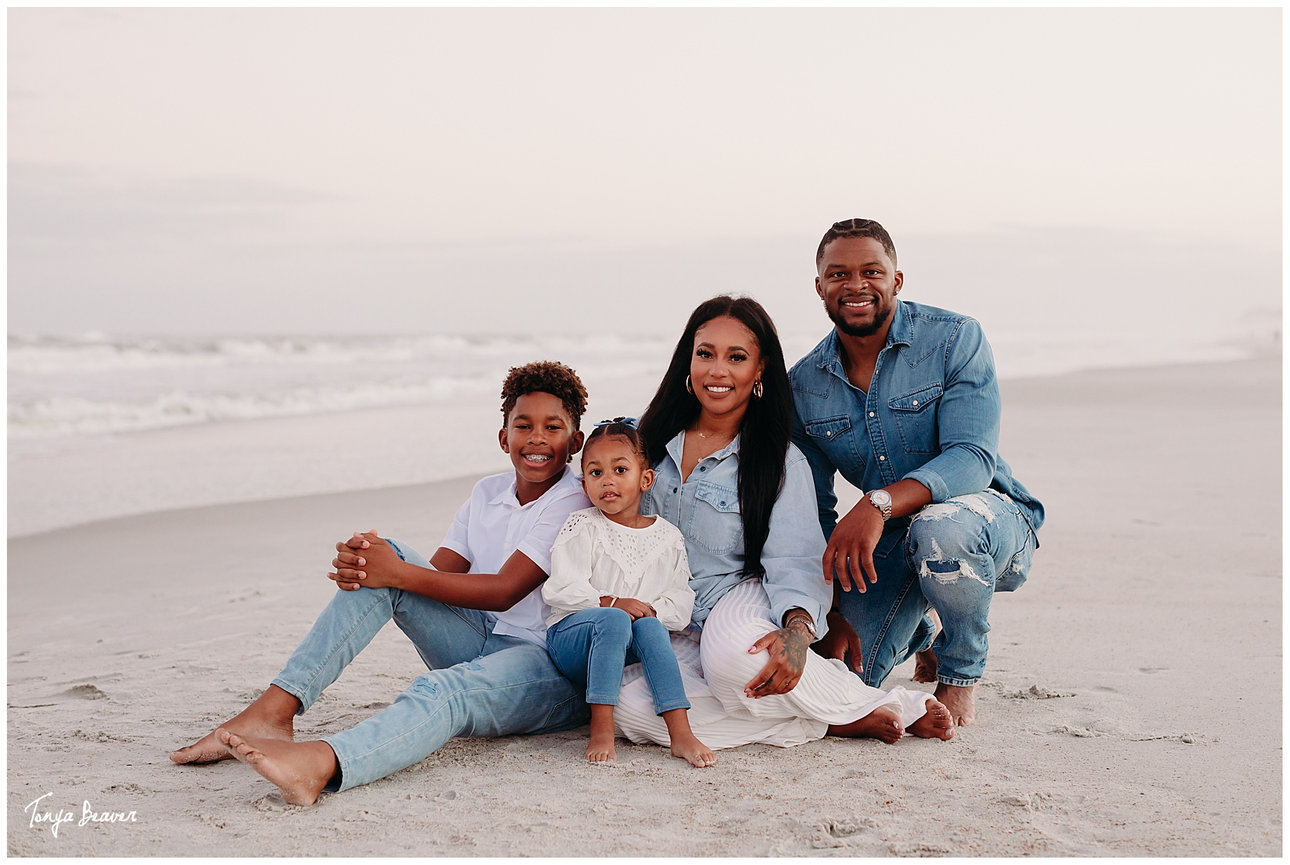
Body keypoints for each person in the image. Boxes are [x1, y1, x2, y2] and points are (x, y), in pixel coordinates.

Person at [170, 361, 594, 804]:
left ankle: (321, 764)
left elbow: (506, 591)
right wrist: (372, 565)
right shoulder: (487, 492)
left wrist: (396, 572)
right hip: (481, 639)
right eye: (523, 426)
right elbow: (438, 575)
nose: (537, 438)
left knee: (439, 690)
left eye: (553, 427)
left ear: (575, 441)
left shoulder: (573, 498)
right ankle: (275, 711)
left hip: (547, 668)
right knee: (385, 553)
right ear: (504, 437)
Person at [613, 295, 956, 751]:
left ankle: (883, 702)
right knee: (624, 707)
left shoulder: (777, 460)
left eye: (736, 358)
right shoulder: (640, 444)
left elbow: (794, 558)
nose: (717, 371)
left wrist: (797, 632)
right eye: (705, 354)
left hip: (731, 599)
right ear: (687, 360)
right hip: (662, 619)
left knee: (736, 664)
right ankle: (824, 722)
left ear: (759, 371)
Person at [789, 218, 1045, 726]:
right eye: (837, 274)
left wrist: (877, 502)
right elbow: (810, 503)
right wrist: (829, 606)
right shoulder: (804, 385)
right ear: (819, 286)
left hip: (985, 526)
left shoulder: (953, 339)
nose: (855, 285)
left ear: (897, 280)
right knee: (840, 680)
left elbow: (973, 456)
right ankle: (923, 629)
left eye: (871, 271)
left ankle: (959, 673)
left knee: (939, 531)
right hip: (890, 538)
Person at [542, 418, 716, 767]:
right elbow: (560, 588)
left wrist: (651, 611)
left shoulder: (667, 537)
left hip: (626, 647)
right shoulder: (583, 526)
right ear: (584, 484)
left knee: (649, 626)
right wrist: (611, 603)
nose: (607, 480)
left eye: (620, 469)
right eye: (595, 473)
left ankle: (680, 732)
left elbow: (681, 599)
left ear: (645, 479)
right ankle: (601, 727)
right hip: (575, 641)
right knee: (613, 620)